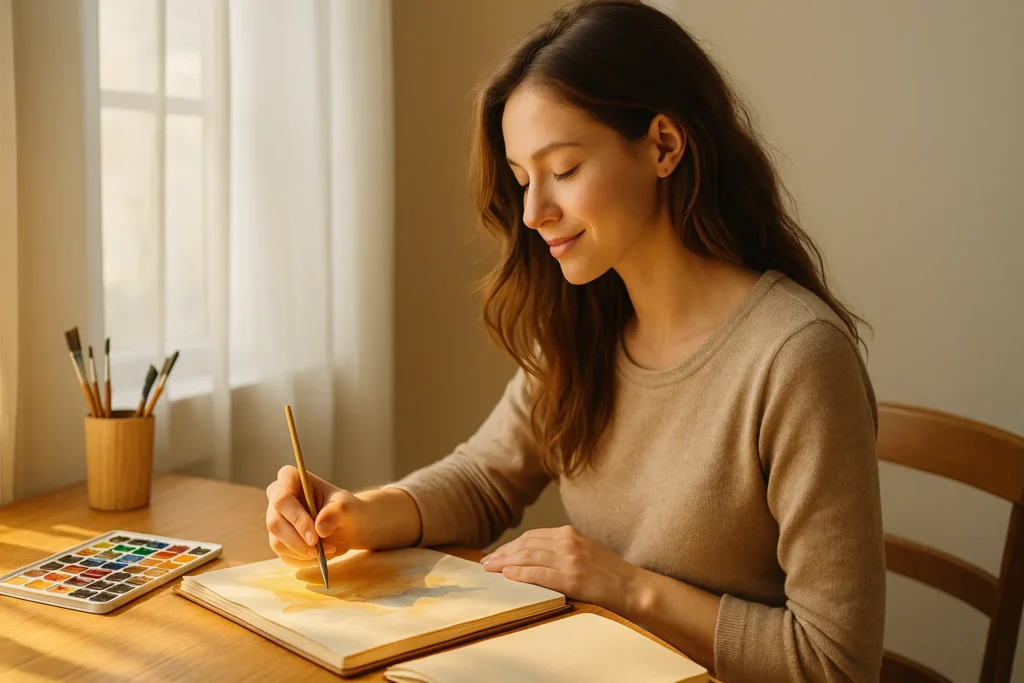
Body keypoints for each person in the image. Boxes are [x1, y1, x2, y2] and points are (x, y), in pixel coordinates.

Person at [264, 1, 885, 681]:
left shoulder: (796, 357)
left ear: (664, 145)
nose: (533, 213)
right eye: (523, 179)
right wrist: (358, 515)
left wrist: (624, 585)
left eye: (562, 170)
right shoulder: (582, 324)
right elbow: (483, 478)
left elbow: (836, 662)